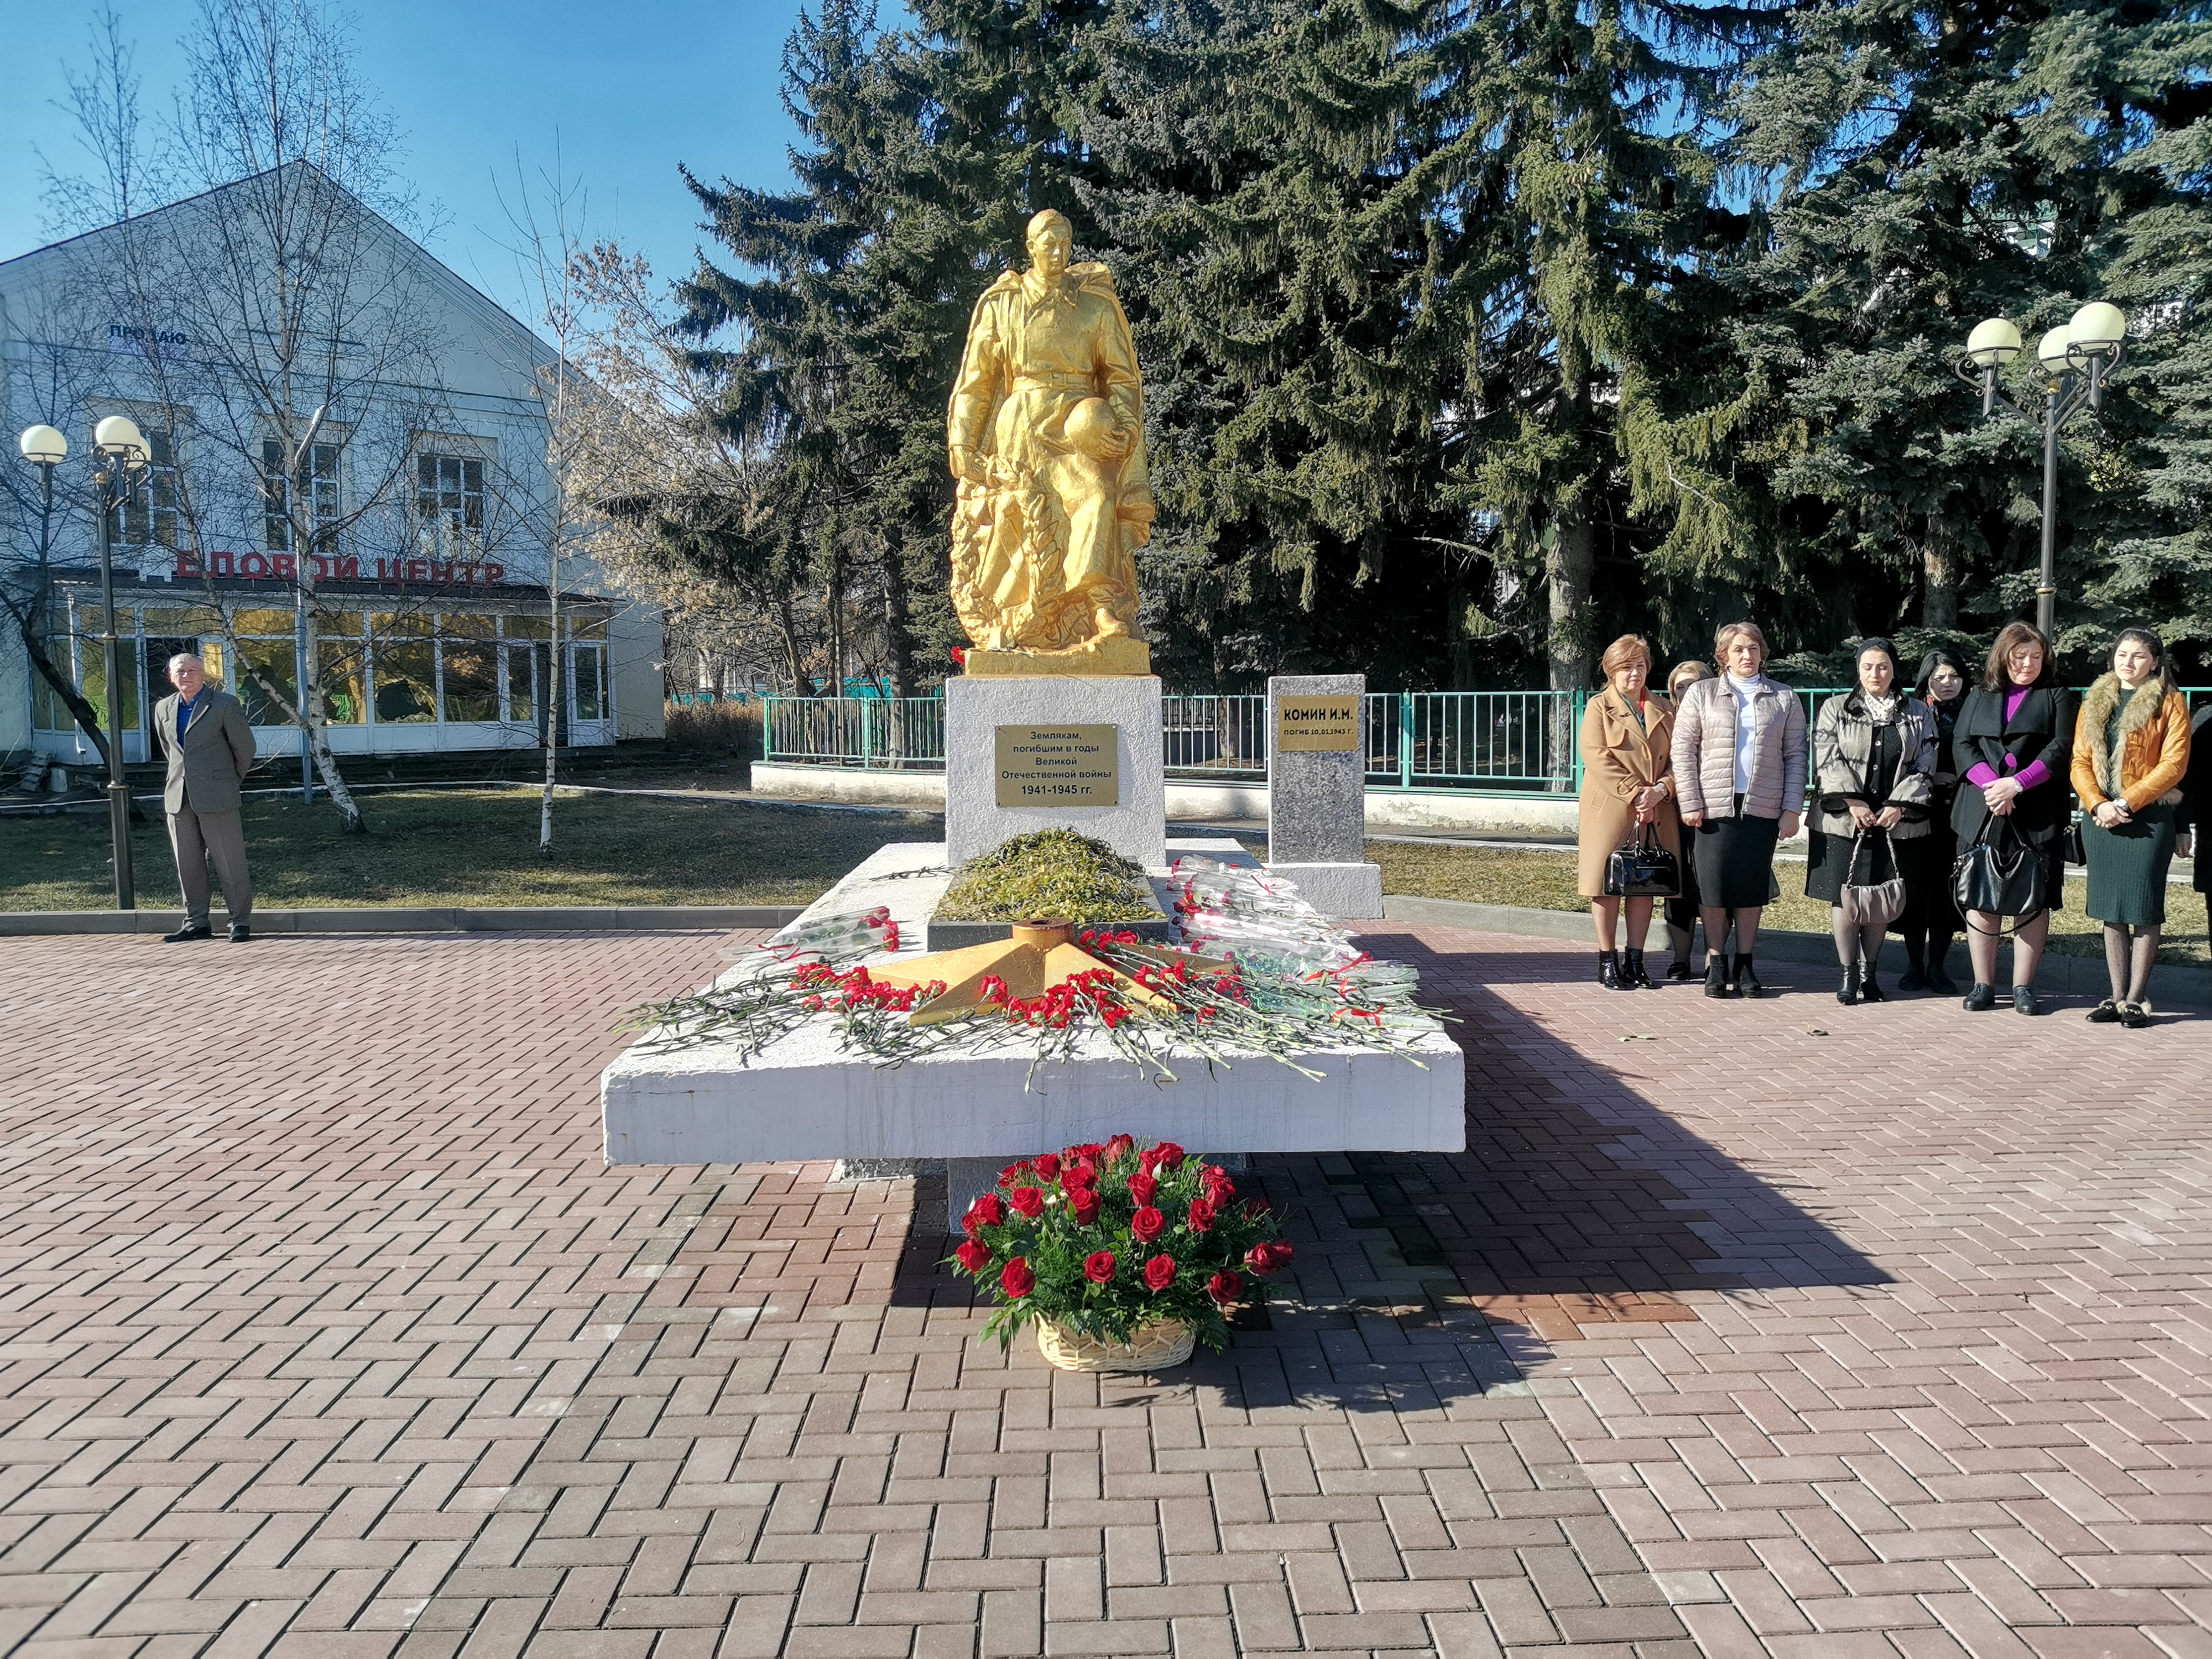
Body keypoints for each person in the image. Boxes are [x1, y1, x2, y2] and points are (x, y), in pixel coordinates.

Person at [1672, 622, 1807, 999]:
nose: (1746, 655)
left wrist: (1792, 808)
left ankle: (1745, 962)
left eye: (1752, 648)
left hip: (1762, 807)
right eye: (1738, 650)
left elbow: (1796, 756)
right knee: (1713, 889)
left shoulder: (1784, 697)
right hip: (1712, 808)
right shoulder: (1702, 693)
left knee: (1750, 889)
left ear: (1762, 652)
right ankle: (1716, 962)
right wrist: (1691, 802)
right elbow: (1683, 751)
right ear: (1723, 656)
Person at [1953, 622, 2076, 1014]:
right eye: (2019, 656)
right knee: (1982, 894)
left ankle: (2023, 986)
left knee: (2031, 899)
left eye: (2036, 657)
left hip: (2036, 811)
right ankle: (1983, 985)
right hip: (1983, 810)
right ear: (2003, 657)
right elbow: (1962, 743)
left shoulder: (2056, 694)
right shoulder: (1980, 693)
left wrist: (2017, 785)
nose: (2028, 664)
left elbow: (2061, 747)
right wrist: (1994, 787)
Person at [1806, 639, 1937, 1004]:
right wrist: (1852, 801)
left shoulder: (1918, 712)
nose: (1875, 674)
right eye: (1867, 667)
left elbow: (1926, 762)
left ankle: (1870, 975)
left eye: (1882, 667)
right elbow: (1828, 757)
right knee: (1846, 896)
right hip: (1845, 821)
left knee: (1879, 897)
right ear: (1858, 669)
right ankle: (1848, 975)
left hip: (1893, 821)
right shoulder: (1835, 708)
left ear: (1894, 669)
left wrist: (1898, 804)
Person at [2072, 627, 2192, 1027]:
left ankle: (2138, 1000)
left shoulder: (2170, 702)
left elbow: (2174, 764)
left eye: (2139, 656)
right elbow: (2079, 761)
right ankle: (2115, 996)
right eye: (2123, 654)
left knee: (2142, 910)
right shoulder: (2095, 700)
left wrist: (2125, 801)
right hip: (2101, 819)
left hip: (2148, 818)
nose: (2129, 662)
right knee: (2111, 912)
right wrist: (2098, 804)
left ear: (2155, 661)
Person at [1576, 635, 1682, 989]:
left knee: (1645, 883)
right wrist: (1638, 794)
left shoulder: (1665, 708)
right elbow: (1596, 755)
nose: (1634, 674)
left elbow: (1683, 758)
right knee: (1605, 887)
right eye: (1625, 667)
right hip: (1611, 808)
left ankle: (1636, 961)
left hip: (1657, 808)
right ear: (1611, 671)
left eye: (1639, 665)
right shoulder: (1598, 707)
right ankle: (1608, 962)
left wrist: (1661, 791)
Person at [152, 652, 257, 943]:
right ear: (171, 677)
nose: (187, 675)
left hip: (218, 794)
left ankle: (239, 921)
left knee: (229, 860)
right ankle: (196, 922)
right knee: (188, 863)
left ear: (203, 674)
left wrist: (228, 781)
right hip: (179, 796)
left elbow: (245, 748)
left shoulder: (224, 704)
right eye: (181, 671)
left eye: (193, 670)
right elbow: (170, 750)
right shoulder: (163, 708)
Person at [1896, 650, 1969, 992]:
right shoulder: (1911, 711)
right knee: (1915, 886)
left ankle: (1938, 966)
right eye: (1939, 677)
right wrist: (1930, 776)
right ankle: (1913, 965)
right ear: (1927, 679)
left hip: (1957, 811)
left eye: (1953, 676)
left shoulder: (1973, 709)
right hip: (1917, 810)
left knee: (1946, 889)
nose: (1947, 683)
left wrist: (1962, 777)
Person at [1661, 660, 1712, 978]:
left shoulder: (1721, 716)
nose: (1686, 691)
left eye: (1693, 684)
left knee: (1712, 889)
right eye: (1680, 686)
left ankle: (1714, 960)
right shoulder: (1667, 719)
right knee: (1677, 888)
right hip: (1674, 813)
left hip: (1714, 814)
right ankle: (1681, 959)